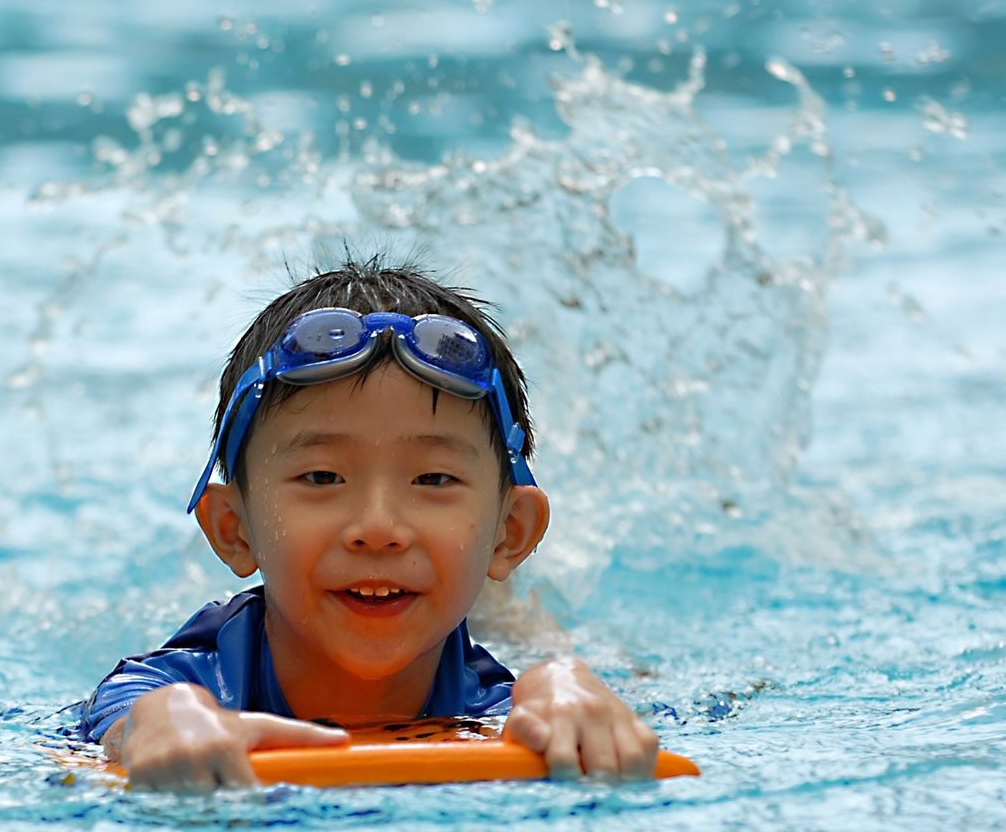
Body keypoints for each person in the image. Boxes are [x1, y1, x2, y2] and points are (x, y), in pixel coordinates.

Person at [79, 257, 660, 791]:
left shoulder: (495, 705)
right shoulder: (197, 680)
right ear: (234, 529)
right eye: (322, 478)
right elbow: (127, 713)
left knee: (540, 643)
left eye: (433, 480)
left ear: (511, 534)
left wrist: (564, 684)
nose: (379, 527)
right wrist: (153, 724)